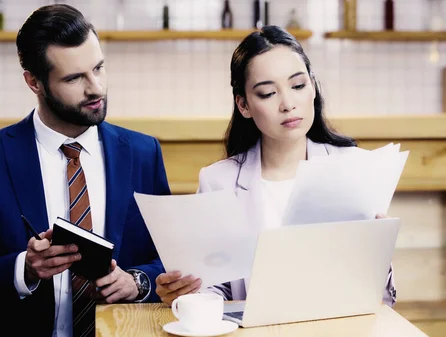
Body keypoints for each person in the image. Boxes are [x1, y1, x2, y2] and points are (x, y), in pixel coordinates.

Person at [0, 4, 169, 337]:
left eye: (98, 68)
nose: (96, 88)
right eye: (74, 78)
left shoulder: (144, 153)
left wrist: (136, 282)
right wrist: (23, 269)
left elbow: (170, 262)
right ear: (34, 82)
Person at [155, 25, 397, 307]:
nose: (288, 104)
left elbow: (380, 298)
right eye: (268, 93)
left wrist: (379, 255)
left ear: (313, 87)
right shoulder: (218, 181)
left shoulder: (353, 167)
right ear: (244, 105)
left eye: (298, 86)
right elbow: (214, 289)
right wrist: (187, 294)